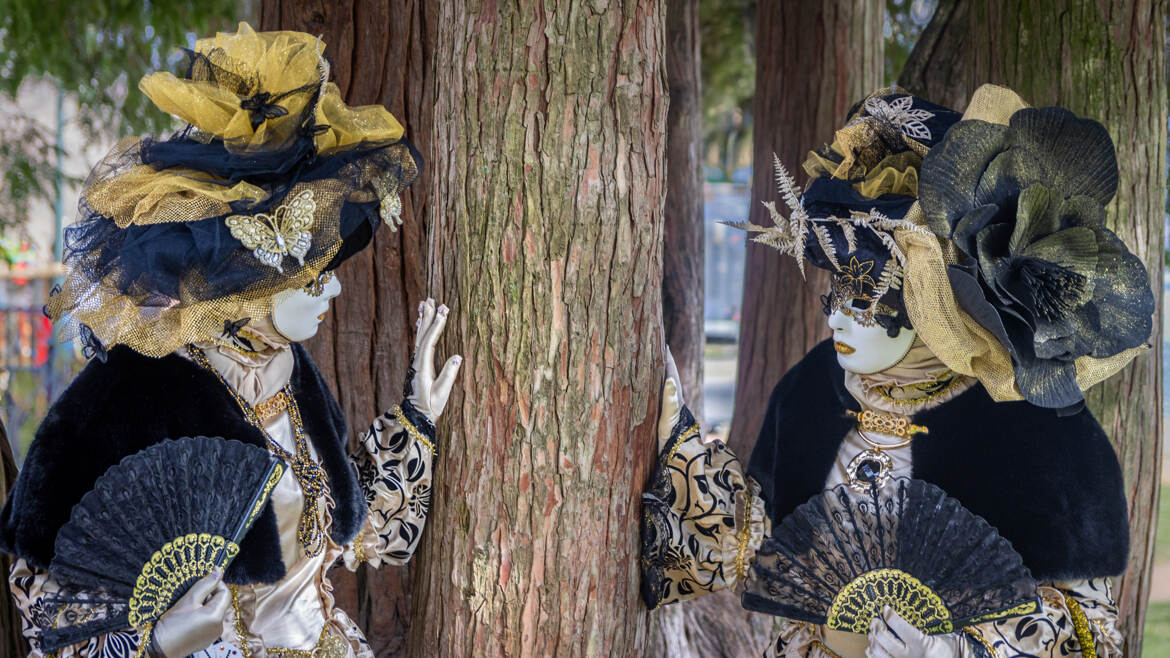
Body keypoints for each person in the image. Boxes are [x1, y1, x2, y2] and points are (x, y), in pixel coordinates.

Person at [641, 85, 1153, 657]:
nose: (837, 315)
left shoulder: (1037, 429)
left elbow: (1089, 633)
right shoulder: (812, 392)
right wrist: (682, 460)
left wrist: (955, 650)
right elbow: (756, 539)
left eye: (862, 294)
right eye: (833, 290)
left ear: (928, 304)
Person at [0, 23, 460, 657]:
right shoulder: (128, 393)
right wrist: (158, 640)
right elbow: (50, 610)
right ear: (254, 283)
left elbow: (358, 533)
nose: (333, 294)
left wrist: (417, 420)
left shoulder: (291, 376)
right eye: (314, 277)